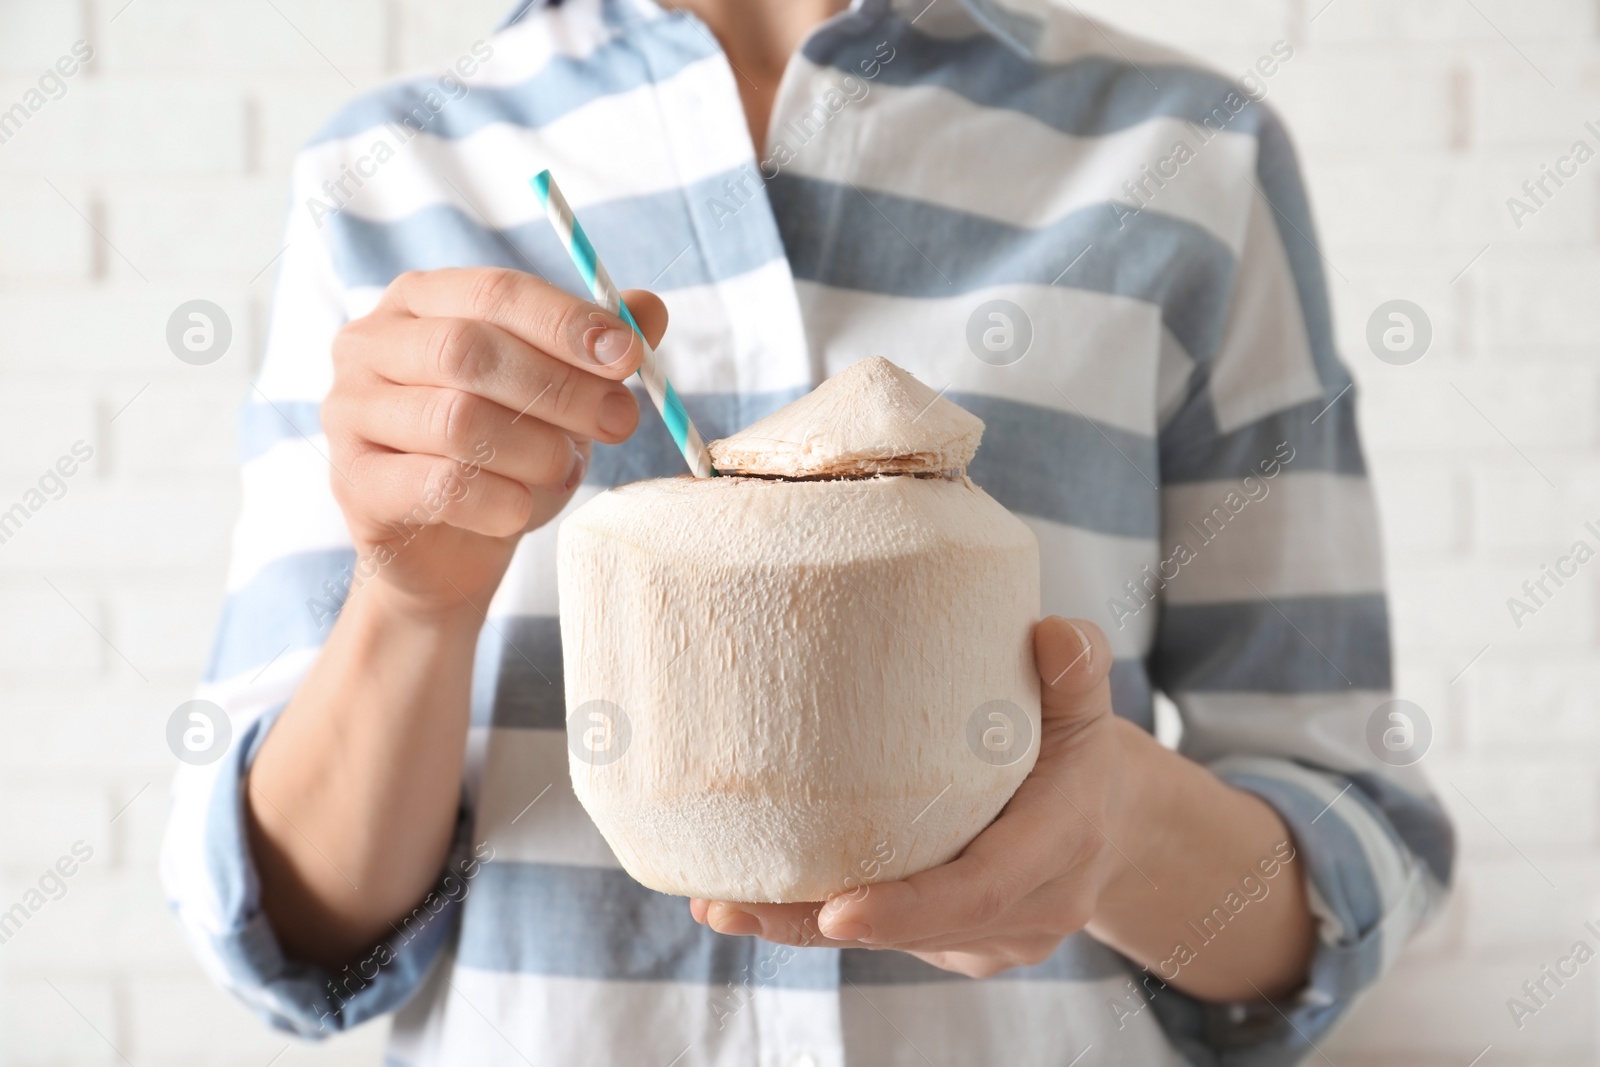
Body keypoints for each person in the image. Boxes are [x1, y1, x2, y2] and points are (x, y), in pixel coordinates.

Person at [161, 0, 1454, 1062]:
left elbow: (1344, 855)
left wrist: (1116, 832)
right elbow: (292, 932)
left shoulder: (1196, 154)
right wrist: (414, 603)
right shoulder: (392, 170)